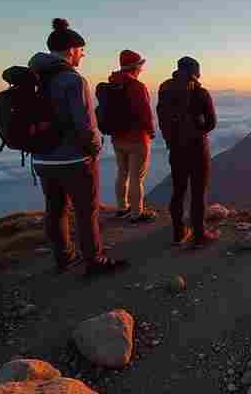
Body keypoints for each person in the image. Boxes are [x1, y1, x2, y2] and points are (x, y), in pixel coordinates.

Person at [29, 18, 128, 277]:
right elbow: (85, 125)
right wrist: (95, 148)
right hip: (74, 159)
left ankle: (63, 257)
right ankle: (94, 261)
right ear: (71, 49)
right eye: (81, 50)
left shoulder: (36, 78)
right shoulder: (73, 80)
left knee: (55, 208)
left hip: (41, 158)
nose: (82, 55)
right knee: (86, 211)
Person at [157, 56, 218, 246]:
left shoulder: (165, 90)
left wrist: (172, 139)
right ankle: (199, 235)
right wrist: (198, 132)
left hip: (176, 148)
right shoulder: (201, 92)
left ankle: (178, 233)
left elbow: (161, 118)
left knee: (178, 190)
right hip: (197, 148)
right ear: (195, 72)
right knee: (198, 192)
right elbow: (212, 122)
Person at [108, 49, 157, 223]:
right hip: (137, 138)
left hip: (117, 138)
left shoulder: (112, 84)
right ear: (134, 67)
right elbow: (145, 113)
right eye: (140, 66)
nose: (141, 69)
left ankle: (122, 208)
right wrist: (151, 132)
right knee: (137, 177)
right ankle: (137, 213)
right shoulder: (137, 86)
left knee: (122, 173)